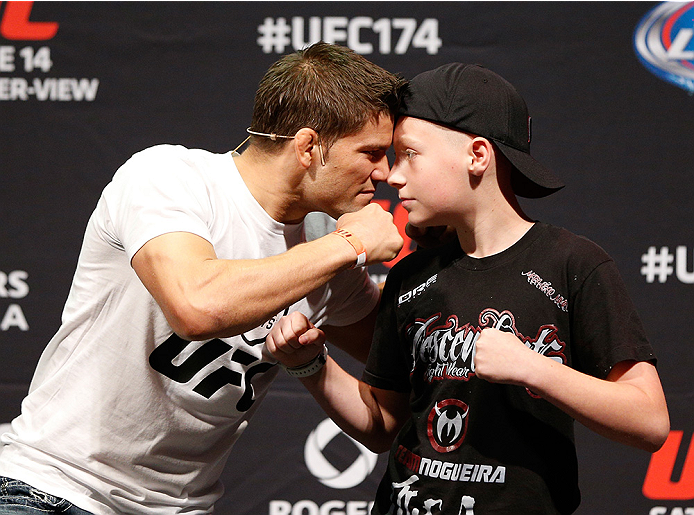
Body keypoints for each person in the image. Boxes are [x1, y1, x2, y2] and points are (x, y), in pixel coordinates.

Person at [0, 42, 407, 515]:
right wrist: (349, 246)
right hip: (56, 491)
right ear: (308, 147)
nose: (386, 173)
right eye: (372, 153)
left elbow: (399, 363)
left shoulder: (323, 248)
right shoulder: (170, 178)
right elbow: (196, 306)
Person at [265, 63, 670, 515]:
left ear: (477, 155)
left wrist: (533, 368)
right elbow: (382, 426)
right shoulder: (410, 276)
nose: (393, 177)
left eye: (409, 154)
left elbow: (649, 421)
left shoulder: (573, 263)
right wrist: (310, 366)